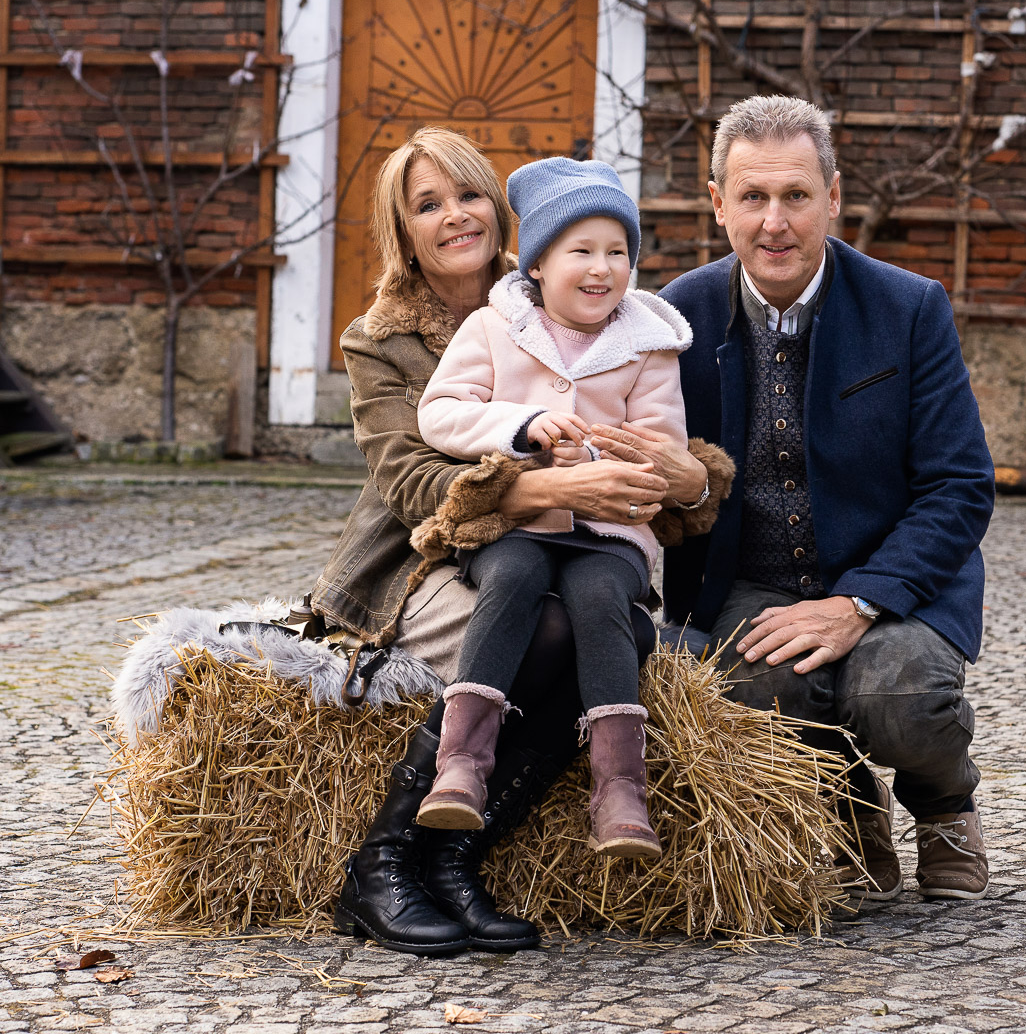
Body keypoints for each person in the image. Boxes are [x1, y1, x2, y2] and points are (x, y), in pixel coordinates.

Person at [311, 129, 731, 955]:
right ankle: (384, 866)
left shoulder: (588, 305)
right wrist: (556, 484)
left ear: (506, 221)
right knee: (549, 625)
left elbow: (669, 449)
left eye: (469, 195)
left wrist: (687, 481)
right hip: (422, 559)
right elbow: (413, 485)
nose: (455, 216)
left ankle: (458, 858)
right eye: (426, 205)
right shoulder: (382, 339)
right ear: (403, 230)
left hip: (569, 549)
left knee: (614, 621)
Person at [657, 96, 997, 902]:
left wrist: (861, 603)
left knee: (899, 691)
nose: (775, 222)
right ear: (718, 205)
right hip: (750, 581)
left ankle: (946, 806)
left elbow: (960, 484)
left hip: (886, 581)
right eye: (753, 197)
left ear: (833, 198)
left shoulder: (909, 308)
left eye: (797, 196)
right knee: (747, 684)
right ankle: (842, 807)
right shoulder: (675, 316)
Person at [411, 157, 693, 859]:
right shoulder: (492, 328)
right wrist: (523, 425)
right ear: (537, 263)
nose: (602, 269)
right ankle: (462, 765)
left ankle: (619, 788)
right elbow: (440, 414)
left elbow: (661, 448)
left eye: (618, 252)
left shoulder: (649, 347)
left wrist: (608, 461)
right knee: (510, 580)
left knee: (601, 599)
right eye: (582, 252)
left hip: (608, 532)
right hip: (518, 522)